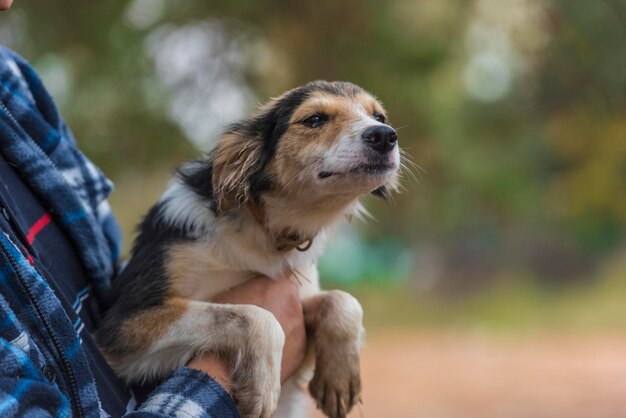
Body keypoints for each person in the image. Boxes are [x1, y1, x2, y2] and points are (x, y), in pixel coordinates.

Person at [0, 1, 307, 416]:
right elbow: (126, 332)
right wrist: (221, 375)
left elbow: (109, 298)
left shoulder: (14, 87)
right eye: (313, 122)